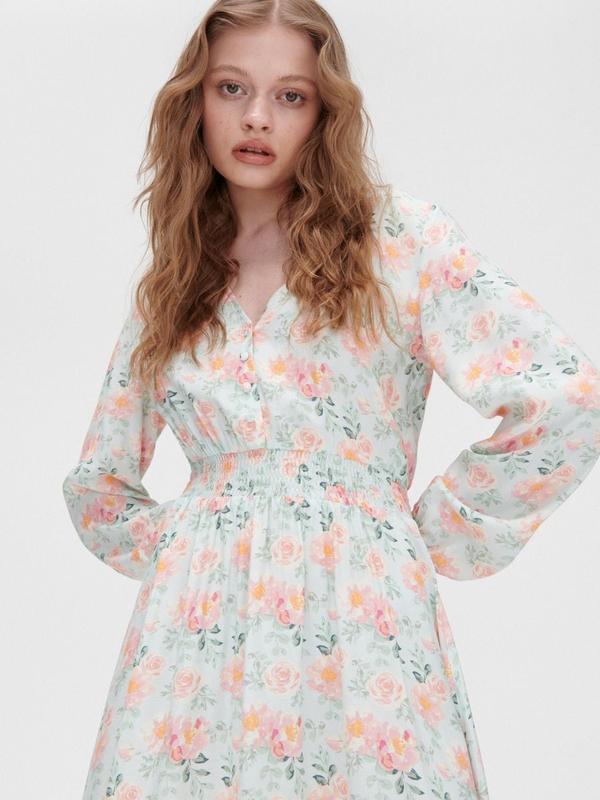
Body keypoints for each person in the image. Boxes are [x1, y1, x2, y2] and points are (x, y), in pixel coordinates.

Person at [62, 2, 600, 798]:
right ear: (195, 100)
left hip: (362, 622)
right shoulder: (176, 280)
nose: (256, 117)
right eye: (231, 87)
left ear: (324, 113)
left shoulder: (398, 241)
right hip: (194, 647)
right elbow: (99, 487)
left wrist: (428, 531)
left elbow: (565, 397)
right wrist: (197, 538)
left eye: (291, 96)